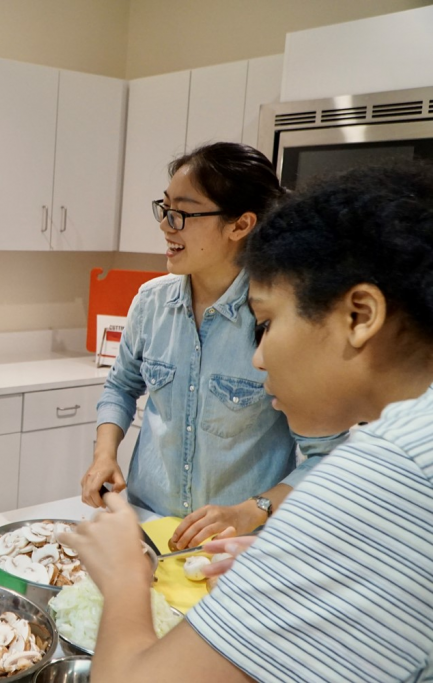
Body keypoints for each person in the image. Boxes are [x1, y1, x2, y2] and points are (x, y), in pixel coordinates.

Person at [61, 162, 433, 682]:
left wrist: (125, 575)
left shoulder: (381, 479)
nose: (258, 359)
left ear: (360, 315)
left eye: (267, 324)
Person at [80, 142, 342, 549]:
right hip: (147, 529)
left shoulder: (282, 322)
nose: (167, 225)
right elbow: (120, 386)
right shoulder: (151, 302)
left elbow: (326, 456)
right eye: (164, 209)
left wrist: (253, 508)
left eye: (182, 213)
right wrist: (104, 453)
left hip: (235, 548)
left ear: (240, 225)